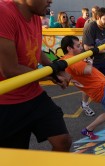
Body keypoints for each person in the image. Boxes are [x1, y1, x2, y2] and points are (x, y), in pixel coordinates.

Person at [0, 0, 71, 151]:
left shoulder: (35, 15)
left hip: (32, 94)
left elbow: (35, 49)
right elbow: (10, 70)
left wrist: (54, 68)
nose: (51, 1)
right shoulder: (4, 13)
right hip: (6, 102)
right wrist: (52, 75)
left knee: (62, 141)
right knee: (15, 158)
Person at [80, 7, 105, 117]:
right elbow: (87, 47)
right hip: (91, 61)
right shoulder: (90, 27)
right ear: (98, 17)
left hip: (102, 59)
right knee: (88, 85)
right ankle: (84, 104)